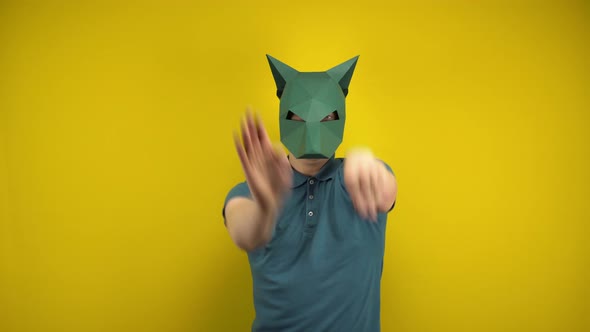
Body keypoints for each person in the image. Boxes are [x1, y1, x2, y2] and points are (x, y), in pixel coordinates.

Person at [222, 55, 398, 332]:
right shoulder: (252, 191)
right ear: (284, 116)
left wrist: (368, 167)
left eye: (329, 116)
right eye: (297, 116)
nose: (314, 127)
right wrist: (266, 208)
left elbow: (385, 192)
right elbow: (244, 231)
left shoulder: (359, 179)